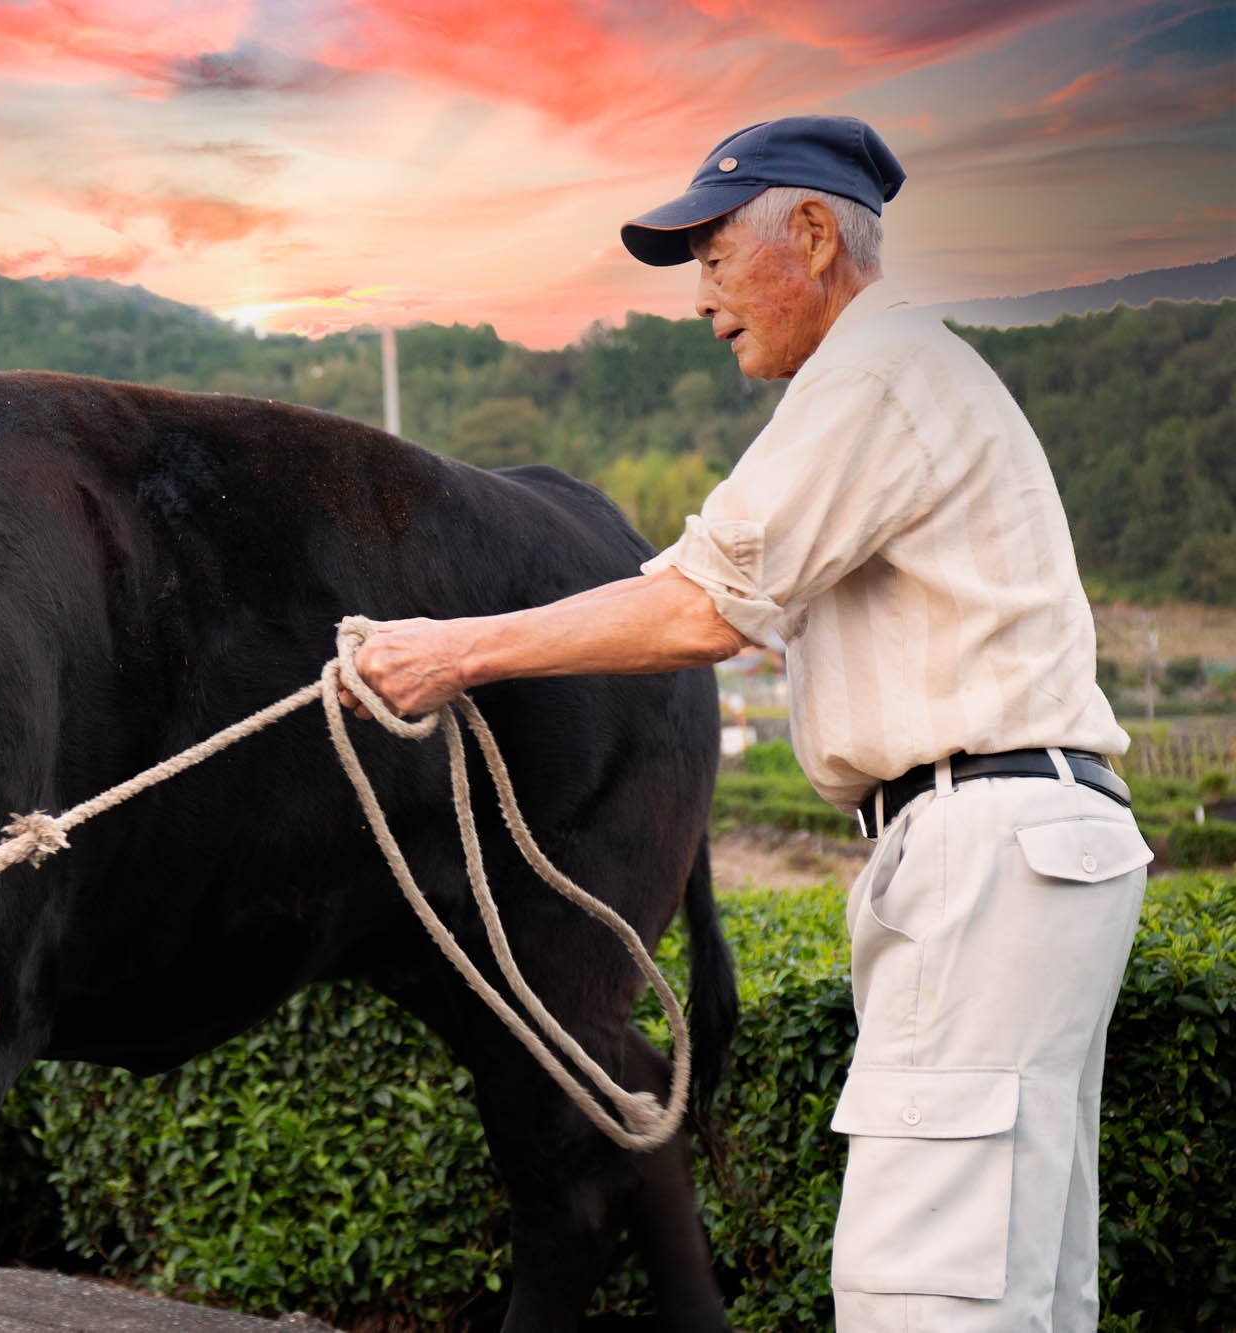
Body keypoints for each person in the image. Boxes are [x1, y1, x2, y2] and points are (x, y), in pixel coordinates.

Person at [345, 115, 1149, 1332]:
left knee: (919, 1285)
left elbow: (691, 608)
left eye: (714, 255)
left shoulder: (872, 373)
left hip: (982, 845)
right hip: (1029, 841)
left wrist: (451, 649)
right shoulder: (914, 375)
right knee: (1019, 1280)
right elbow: (693, 585)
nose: (701, 295)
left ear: (813, 234)